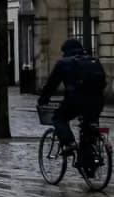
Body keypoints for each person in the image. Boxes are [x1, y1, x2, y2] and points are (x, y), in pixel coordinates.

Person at [38, 37, 105, 172]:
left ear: (65, 51)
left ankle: (70, 143)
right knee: (88, 128)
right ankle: (88, 163)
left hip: (76, 100)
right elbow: (103, 82)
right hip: (97, 101)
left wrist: (43, 100)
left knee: (58, 118)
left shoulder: (63, 63)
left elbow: (51, 85)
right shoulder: (93, 61)